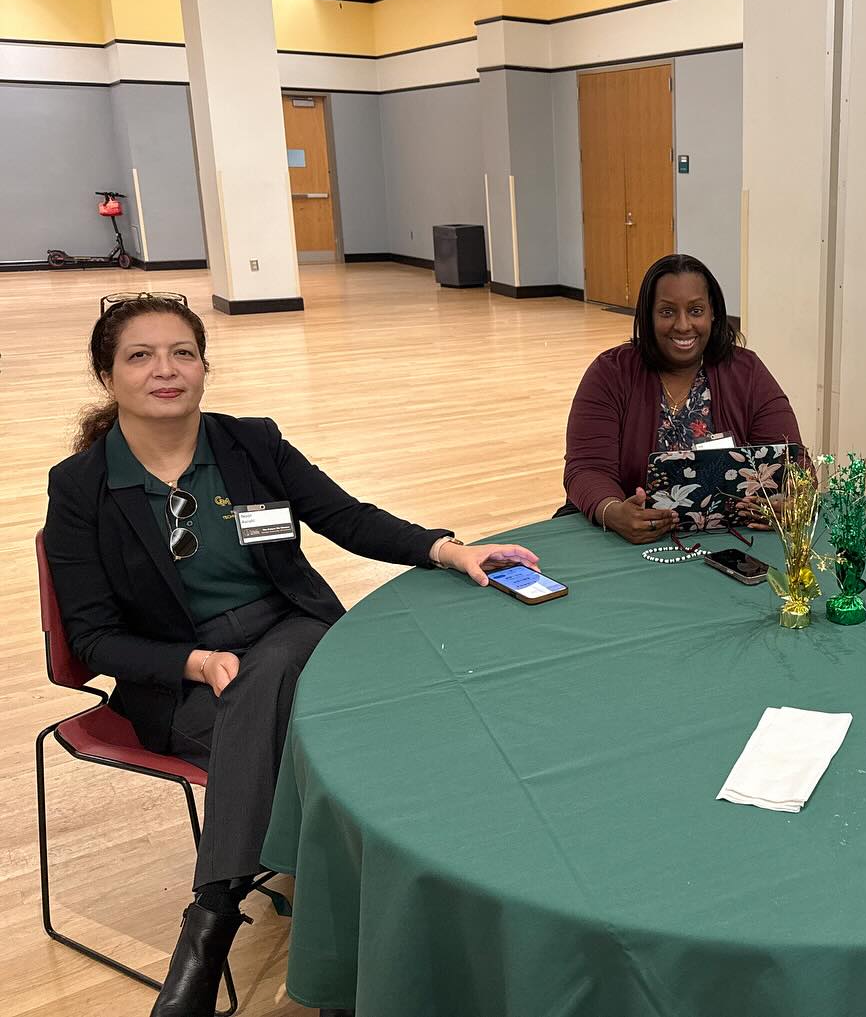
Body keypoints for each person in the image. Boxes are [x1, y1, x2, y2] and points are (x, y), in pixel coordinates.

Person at [43, 294, 537, 1017]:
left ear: (205, 365)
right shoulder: (81, 486)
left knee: (276, 668)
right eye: (140, 355)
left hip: (291, 635)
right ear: (106, 373)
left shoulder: (248, 444)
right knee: (315, 744)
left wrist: (446, 547)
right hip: (182, 679)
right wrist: (195, 664)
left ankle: (209, 929)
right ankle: (342, 952)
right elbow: (90, 638)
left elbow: (344, 515)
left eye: (183, 352)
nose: (166, 370)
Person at [563, 254, 802, 543]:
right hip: (627, 538)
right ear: (648, 317)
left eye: (696, 310)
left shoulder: (747, 371)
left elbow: (793, 459)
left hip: (731, 538)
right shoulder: (611, 372)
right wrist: (612, 512)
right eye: (667, 312)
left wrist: (790, 500)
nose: (683, 325)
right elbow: (586, 468)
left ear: (713, 313)